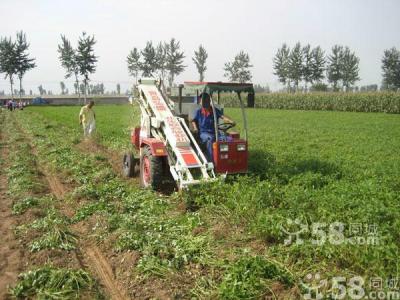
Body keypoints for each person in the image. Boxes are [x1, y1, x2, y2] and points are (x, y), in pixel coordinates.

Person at [191, 93, 235, 161]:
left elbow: (223, 116)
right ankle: (211, 161)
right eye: (203, 100)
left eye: (207, 100)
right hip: (203, 133)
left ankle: (229, 160)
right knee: (211, 139)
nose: (205, 102)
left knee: (229, 139)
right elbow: (193, 121)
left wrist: (230, 121)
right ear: (201, 101)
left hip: (215, 133)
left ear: (209, 100)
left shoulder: (214, 110)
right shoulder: (198, 112)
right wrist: (195, 128)